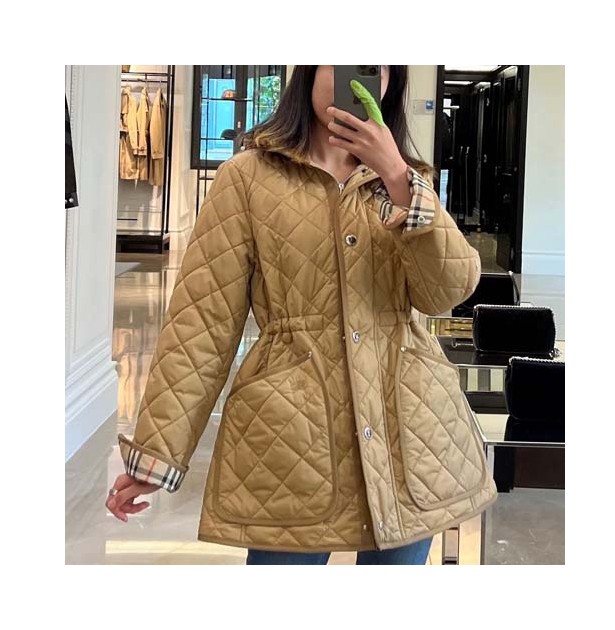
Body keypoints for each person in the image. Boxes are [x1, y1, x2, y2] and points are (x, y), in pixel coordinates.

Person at [106, 65, 498, 565]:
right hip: (289, 438)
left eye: (374, 66)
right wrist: (158, 451)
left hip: (410, 436)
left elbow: (445, 292)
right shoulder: (247, 178)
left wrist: (399, 180)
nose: (356, 77)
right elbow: (200, 324)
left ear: (391, 83)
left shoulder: (407, 180)